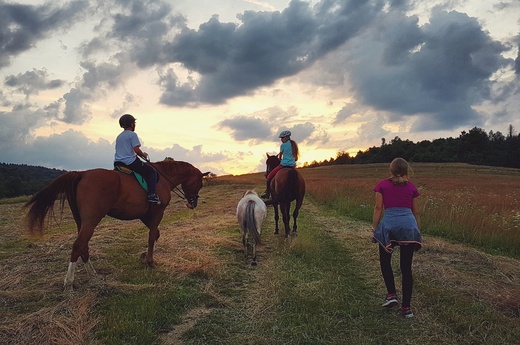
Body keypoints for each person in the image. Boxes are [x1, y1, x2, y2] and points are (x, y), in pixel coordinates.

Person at [372, 157, 422, 318]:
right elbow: (416, 212)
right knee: (406, 268)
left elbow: (378, 207)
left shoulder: (383, 185)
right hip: (409, 225)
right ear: (407, 171)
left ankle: (391, 294)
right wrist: (417, 230)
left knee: (385, 262)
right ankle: (406, 308)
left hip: (390, 224)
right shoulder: (412, 187)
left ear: (391, 170)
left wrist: (375, 228)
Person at [114, 114, 161, 204]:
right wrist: (143, 155)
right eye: (134, 123)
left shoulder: (119, 136)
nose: (134, 124)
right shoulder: (132, 134)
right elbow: (136, 150)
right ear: (131, 124)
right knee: (152, 172)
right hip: (130, 162)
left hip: (118, 163)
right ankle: (152, 195)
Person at [261, 130, 299, 200]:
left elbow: (280, 157)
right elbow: (296, 157)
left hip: (283, 165)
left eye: (282, 138)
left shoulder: (282, 146)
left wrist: (281, 160)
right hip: (292, 165)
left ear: (287, 137)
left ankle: (267, 193)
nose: (281, 140)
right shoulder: (293, 145)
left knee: (269, 177)